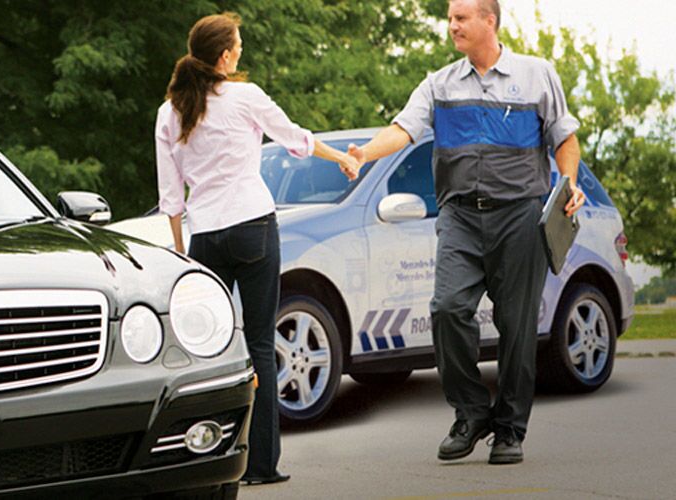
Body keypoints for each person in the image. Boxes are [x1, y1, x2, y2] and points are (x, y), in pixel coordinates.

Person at [347, 0, 585, 464]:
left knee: (516, 326)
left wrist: (568, 181)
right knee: (447, 309)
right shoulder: (439, 84)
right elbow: (403, 129)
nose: (451, 25)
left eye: (460, 18)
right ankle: (472, 412)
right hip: (458, 216)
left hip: (520, 215)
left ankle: (510, 430)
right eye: (450, 18)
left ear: (488, 21)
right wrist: (364, 155)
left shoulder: (537, 74)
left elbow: (564, 138)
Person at [155, 12, 359, 484]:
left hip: (205, 238)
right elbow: (296, 139)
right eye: (239, 46)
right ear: (224, 56)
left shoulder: (170, 111)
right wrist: (342, 159)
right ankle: (262, 466)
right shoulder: (244, 97)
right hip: (253, 228)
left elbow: (171, 196)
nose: (241, 51)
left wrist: (186, 257)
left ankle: (200, 456)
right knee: (261, 344)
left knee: (203, 350)